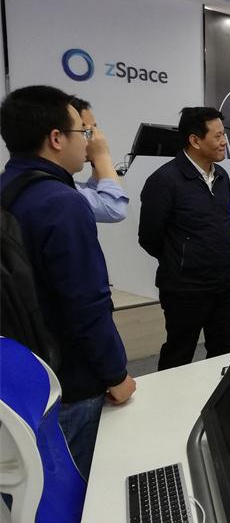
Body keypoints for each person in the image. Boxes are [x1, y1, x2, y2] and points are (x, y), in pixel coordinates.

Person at [0, 85, 135, 479]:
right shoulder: (61, 203)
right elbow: (86, 305)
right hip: (69, 381)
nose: (88, 141)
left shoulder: (9, 188)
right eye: (83, 132)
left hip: (23, 370)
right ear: (56, 138)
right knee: (77, 486)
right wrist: (116, 374)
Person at [138, 107, 230, 371]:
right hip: (185, 289)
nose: (224, 141)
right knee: (179, 355)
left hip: (224, 284)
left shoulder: (222, 176)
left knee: (223, 353)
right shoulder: (164, 181)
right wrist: (182, 259)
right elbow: (149, 237)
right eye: (217, 136)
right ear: (195, 140)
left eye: (224, 134)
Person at [70, 97, 129, 223]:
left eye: (94, 130)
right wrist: (102, 155)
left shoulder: (62, 182)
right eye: (87, 131)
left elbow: (95, 193)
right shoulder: (51, 187)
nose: (94, 137)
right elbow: (114, 209)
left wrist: (96, 160)